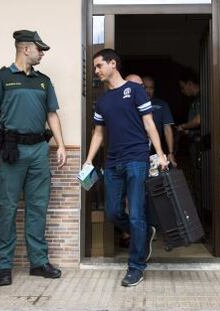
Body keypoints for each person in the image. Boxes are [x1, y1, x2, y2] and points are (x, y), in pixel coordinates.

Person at [0, 30, 66, 286]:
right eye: (39, 49)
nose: (42, 54)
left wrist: (60, 145)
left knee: (38, 208)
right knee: (8, 208)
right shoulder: (2, 78)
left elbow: (52, 114)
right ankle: (3, 265)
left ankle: (39, 263)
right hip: (11, 151)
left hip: (39, 150)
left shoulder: (44, 81)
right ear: (25, 48)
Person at [84, 49, 168, 287]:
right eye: (95, 67)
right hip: (112, 162)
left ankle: (136, 266)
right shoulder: (102, 100)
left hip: (136, 160)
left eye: (99, 66)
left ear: (113, 64)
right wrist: (89, 160)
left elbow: (149, 123)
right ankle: (144, 233)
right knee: (112, 212)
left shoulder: (136, 91)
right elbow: (99, 132)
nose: (97, 70)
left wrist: (160, 154)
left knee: (137, 214)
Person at [177, 68, 202, 210]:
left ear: (190, 84)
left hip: (200, 146)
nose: (182, 91)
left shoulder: (201, 98)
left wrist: (183, 127)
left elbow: (199, 120)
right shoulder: (194, 100)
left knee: (200, 182)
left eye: (182, 87)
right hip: (195, 143)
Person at [142, 76, 177, 167]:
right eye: (145, 87)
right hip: (134, 150)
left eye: (151, 88)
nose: (148, 91)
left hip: (155, 150)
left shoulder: (162, 105)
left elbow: (167, 128)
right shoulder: (131, 104)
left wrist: (170, 152)